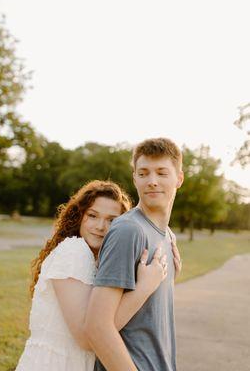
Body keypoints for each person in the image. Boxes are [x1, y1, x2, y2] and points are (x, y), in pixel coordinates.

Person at [15, 180, 169, 371]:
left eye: (112, 220)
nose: (100, 226)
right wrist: (144, 289)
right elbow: (88, 337)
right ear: (79, 216)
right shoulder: (73, 252)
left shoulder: (96, 261)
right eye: (92, 216)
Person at [85, 138, 184, 371]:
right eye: (143, 173)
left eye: (161, 173)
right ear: (134, 178)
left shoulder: (167, 236)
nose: (152, 181)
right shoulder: (129, 230)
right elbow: (97, 327)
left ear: (179, 178)